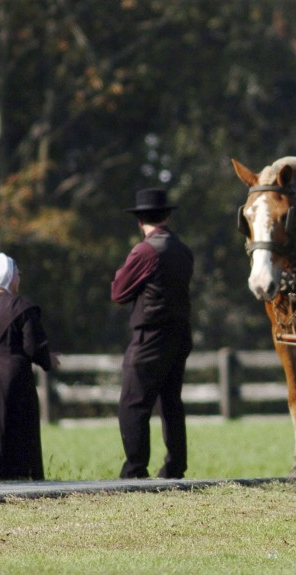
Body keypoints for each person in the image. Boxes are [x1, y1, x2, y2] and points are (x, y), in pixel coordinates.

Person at [111, 188, 194, 479]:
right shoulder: (182, 249)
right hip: (180, 334)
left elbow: (119, 292)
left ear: (139, 220)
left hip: (150, 336)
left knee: (133, 403)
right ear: (167, 215)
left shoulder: (145, 250)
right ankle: (175, 465)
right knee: (171, 401)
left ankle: (135, 468)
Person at [0, 253, 60, 481]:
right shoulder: (21, 307)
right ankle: (19, 477)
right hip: (12, 378)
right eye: (17, 273)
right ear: (8, 276)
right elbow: (33, 346)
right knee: (16, 427)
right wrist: (49, 360)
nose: (19, 277)